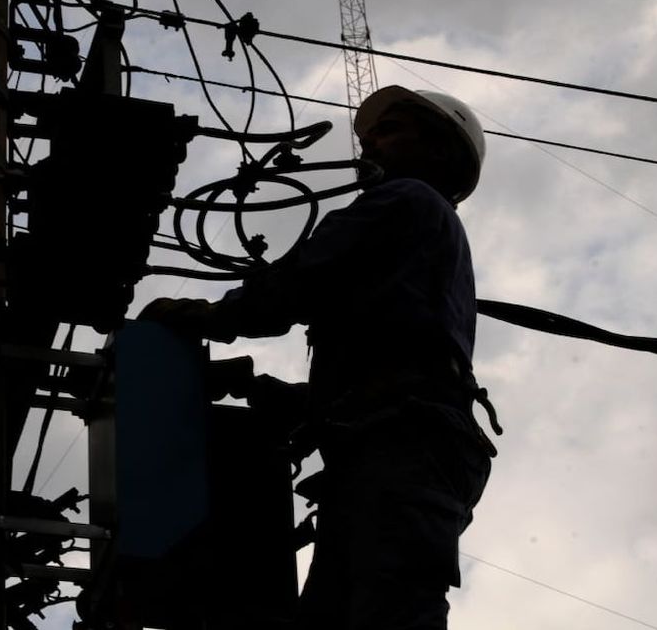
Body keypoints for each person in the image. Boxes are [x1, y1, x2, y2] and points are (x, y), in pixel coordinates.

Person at [140, 85, 500, 630]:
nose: (371, 144)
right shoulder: (423, 247)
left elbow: (304, 278)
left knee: (387, 609)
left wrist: (210, 316)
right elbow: (388, 367)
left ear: (439, 151)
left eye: (390, 130)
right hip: (395, 446)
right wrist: (268, 393)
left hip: (405, 444)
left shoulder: (407, 201)